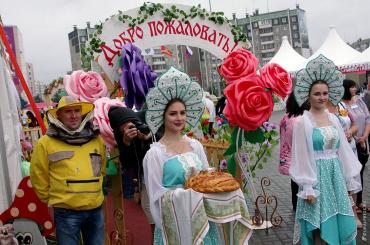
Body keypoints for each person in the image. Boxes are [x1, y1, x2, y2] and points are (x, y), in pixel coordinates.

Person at [143, 67, 252, 244]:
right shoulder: (155, 154)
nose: (179, 118)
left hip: (202, 222)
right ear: (163, 116)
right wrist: (187, 195)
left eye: (182, 113)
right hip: (176, 225)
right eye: (173, 113)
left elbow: (206, 177)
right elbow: (157, 198)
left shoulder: (195, 145)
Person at [290, 55, 362, 245]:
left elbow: (343, 151)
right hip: (316, 179)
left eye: (325, 93)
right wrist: (307, 186)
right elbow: (301, 157)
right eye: (317, 94)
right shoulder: (302, 122)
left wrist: (349, 179)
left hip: (335, 176)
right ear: (308, 95)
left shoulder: (333, 119)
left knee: (339, 222)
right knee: (319, 228)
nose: (322, 97)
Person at [30, 96, 106, 245]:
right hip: (66, 212)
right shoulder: (45, 143)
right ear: (59, 115)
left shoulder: (96, 139)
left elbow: (101, 169)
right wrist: (53, 199)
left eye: (77, 110)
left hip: (95, 209)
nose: (74, 115)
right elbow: (38, 175)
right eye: (68, 111)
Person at [108, 106, 156, 241]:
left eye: (130, 123)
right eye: (123, 126)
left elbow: (162, 145)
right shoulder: (122, 137)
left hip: (161, 178)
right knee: (151, 217)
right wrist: (126, 143)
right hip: (145, 180)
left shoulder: (146, 124)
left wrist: (147, 138)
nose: (129, 128)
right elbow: (127, 164)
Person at [327, 101, 362, 228]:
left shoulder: (341, 105)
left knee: (351, 182)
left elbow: (354, 124)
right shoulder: (319, 106)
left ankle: (354, 214)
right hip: (332, 152)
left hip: (349, 149)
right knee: (339, 184)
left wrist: (350, 132)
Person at [341, 79, 370, 213]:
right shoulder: (341, 105)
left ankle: (359, 201)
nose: (355, 89)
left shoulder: (359, 102)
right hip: (350, 144)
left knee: (361, 170)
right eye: (352, 87)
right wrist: (355, 137)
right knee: (352, 173)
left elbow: (367, 119)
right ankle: (352, 203)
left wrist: (364, 137)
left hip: (363, 142)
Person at [279, 92, 309, 212]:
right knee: (303, 183)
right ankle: (301, 207)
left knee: (294, 183)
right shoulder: (301, 119)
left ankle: (296, 205)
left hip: (288, 156)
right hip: (300, 157)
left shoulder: (286, 118)